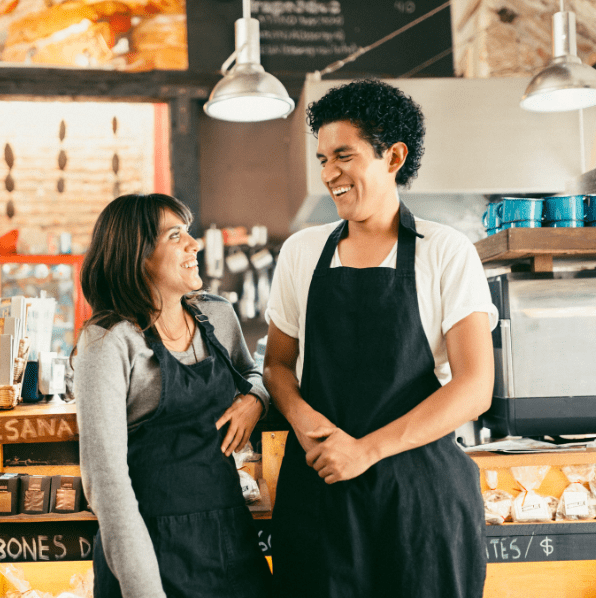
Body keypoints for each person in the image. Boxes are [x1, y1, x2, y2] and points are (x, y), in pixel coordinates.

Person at [264, 79, 497, 597]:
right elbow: (278, 365)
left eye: (343, 156)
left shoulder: (445, 251)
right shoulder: (302, 253)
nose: (329, 174)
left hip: (421, 503)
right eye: (322, 158)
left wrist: (365, 451)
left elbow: (475, 386)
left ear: (393, 156)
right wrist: (305, 422)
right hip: (321, 494)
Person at [73, 193, 272, 598]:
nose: (193, 244)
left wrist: (256, 398)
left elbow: (257, 372)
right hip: (149, 547)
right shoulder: (109, 341)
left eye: (189, 233)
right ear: (139, 255)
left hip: (229, 536)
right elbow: (107, 486)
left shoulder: (216, 314)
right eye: (175, 235)